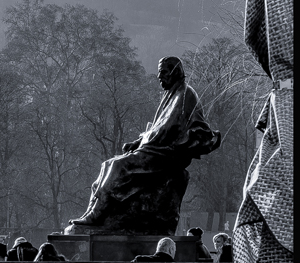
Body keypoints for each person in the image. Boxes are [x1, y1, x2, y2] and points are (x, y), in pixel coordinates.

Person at [69, 57, 221, 229]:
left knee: (118, 166)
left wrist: (182, 144)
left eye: (163, 72)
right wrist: (138, 142)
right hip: (153, 150)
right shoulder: (171, 94)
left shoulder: (186, 94)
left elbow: (194, 127)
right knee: (107, 164)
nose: (159, 76)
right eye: (159, 72)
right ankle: (93, 211)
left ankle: (97, 214)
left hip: (165, 155)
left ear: (175, 72)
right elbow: (157, 128)